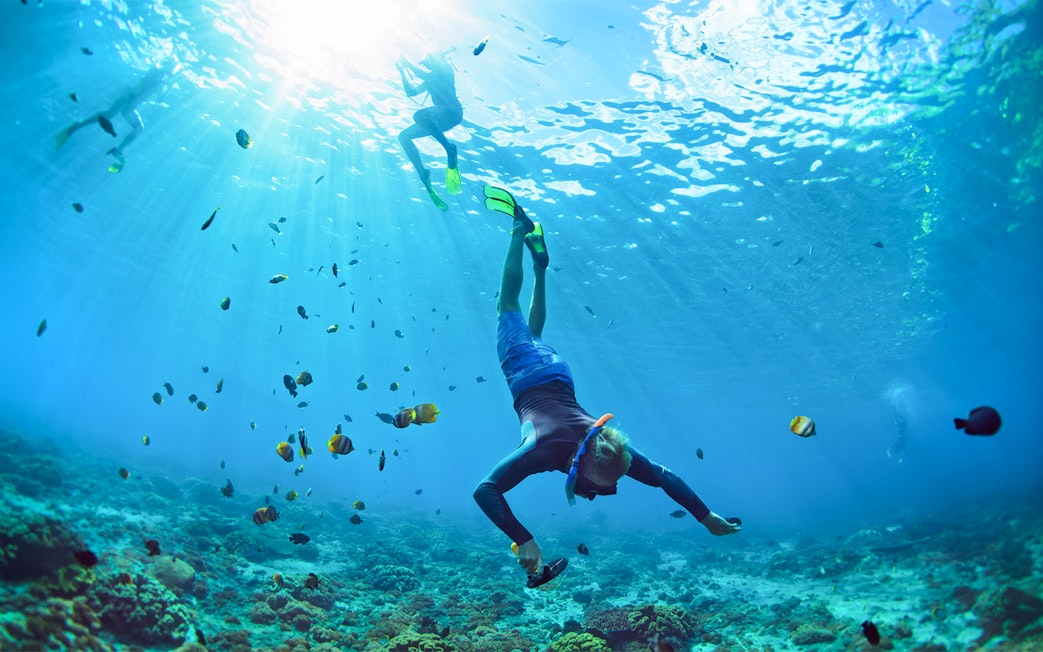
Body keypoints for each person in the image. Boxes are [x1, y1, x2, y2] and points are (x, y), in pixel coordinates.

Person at [472, 186, 741, 577]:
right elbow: (484, 490)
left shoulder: (607, 452)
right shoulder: (545, 448)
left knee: (534, 334)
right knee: (506, 307)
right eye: (597, 488)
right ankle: (518, 227)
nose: (598, 495)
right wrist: (523, 536)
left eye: (606, 489)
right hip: (529, 374)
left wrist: (706, 517)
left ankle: (541, 269)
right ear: (580, 464)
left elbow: (665, 478)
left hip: (558, 372)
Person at [55, 66, 167, 172]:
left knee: (138, 127)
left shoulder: (160, 84)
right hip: (127, 99)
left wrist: (166, 87)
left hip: (130, 106)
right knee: (110, 115)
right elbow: (149, 89)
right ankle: (77, 126)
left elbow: (159, 99)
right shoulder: (156, 77)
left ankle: (118, 150)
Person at [395, 52, 462, 211]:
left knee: (419, 115)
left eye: (427, 63)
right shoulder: (430, 78)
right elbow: (411, 92)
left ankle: (449, 148)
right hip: (438, 120)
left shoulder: (445, 69)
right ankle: (422, 171)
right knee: (403, 136)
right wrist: (402, 72)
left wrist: (407, 64)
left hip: (451, 112)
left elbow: (423, 74)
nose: (427, 66)